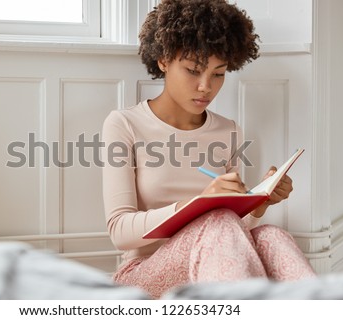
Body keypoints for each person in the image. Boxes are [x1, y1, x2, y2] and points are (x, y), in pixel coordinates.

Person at [101, 0, 316, 299]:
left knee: (271, 235)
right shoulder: (124, 124)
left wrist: (258, 203)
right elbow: (120, 231)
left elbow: (232, 228)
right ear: (163, 60)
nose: (206, 87)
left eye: (218, 74)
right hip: (143, 273)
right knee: (217, 221)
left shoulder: (227, 130)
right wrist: (198, 204)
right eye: (193, 70)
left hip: (217, 261)